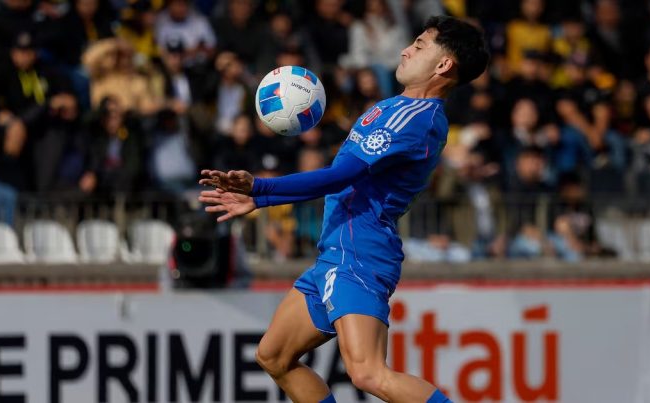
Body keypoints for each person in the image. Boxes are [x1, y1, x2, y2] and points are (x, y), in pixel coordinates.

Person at [199, 15, 488, 403]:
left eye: (419, 45)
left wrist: (262, 189)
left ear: (443, 64)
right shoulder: (397, 107)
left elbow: (341, 176)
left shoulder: (414, 119)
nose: (406, 50)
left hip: (359, 253)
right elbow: (342, 178)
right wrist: (259, 198)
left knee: (368, 373)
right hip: (336, 250)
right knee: (274, 356)